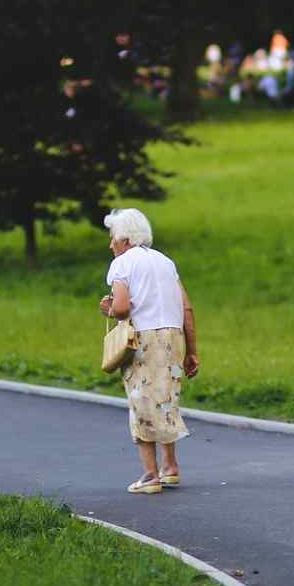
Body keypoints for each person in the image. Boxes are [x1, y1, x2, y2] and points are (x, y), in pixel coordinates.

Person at [98, 208, 199, 495]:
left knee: (141, 402)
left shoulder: (122, 264)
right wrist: (193, 351)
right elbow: (187, 309)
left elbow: (121, 308)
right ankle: (170, 468)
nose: (110, 245)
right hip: (173, 336)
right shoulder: (166, 262)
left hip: (144, 339)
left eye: (112, 238)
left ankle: (149, 475)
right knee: (165, 399)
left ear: (124, 238)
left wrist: (108, 308)